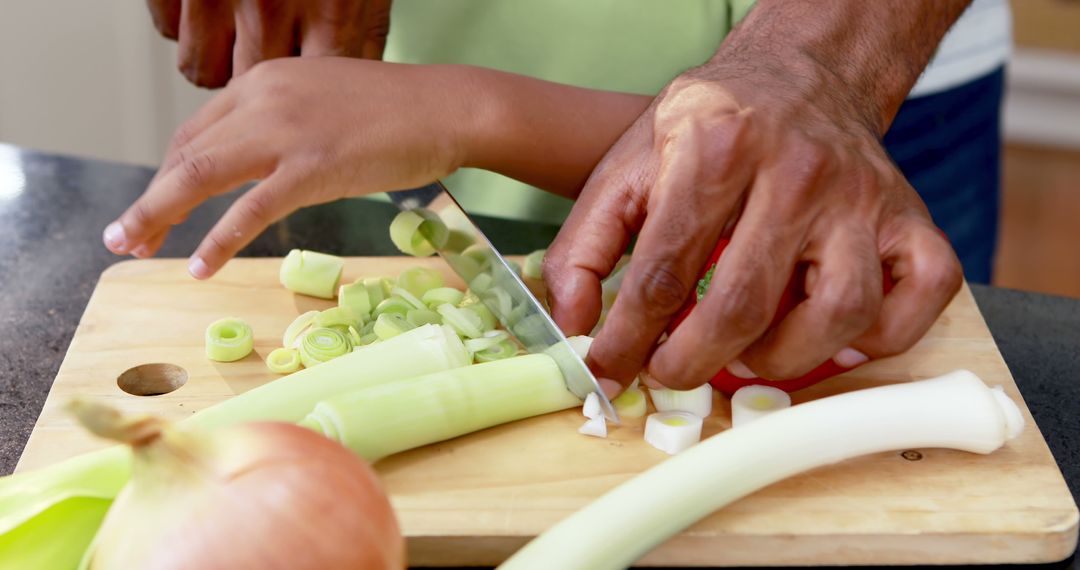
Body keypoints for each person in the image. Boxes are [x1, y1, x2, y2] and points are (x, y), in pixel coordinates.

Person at [106, 0, 1008, 395]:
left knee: (854, 306)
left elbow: (758, 154)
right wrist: (452, 111)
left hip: (867, 58)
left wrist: (466, 111)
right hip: (391, 95)